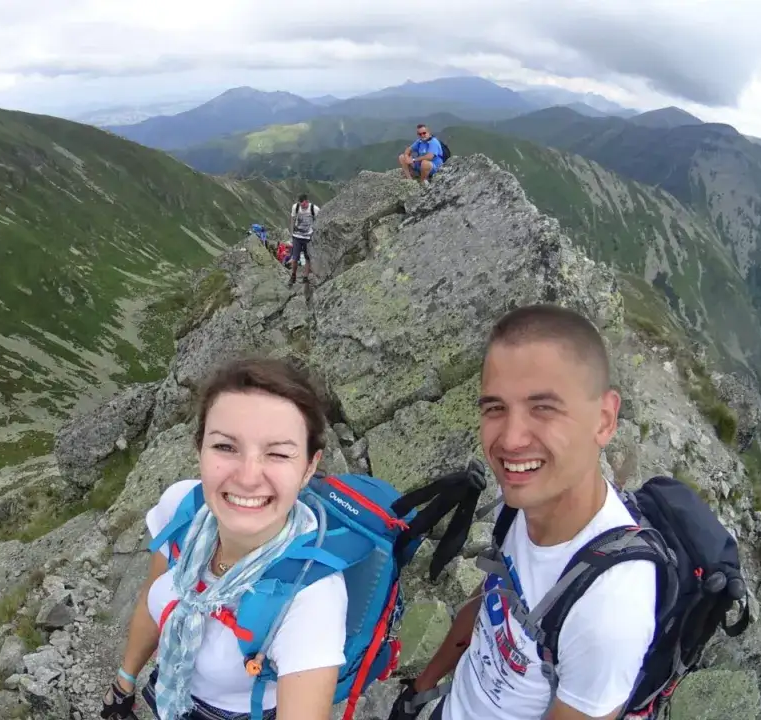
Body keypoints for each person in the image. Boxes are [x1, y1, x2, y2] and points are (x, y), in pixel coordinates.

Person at [403, 304, 657, 720]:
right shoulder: (527, 502)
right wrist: (420, 689)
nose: (511, 439)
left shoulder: (610, 610)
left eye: (543, 407)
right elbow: (490, 601)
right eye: (495, 408)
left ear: (604, 419)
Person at [101, 356, 348, 720]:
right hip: (170, 686)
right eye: (226, 447)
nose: (248, 477)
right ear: (200, 448)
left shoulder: (312, 595)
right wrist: (125, 681)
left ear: (309, 466)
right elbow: (153, 598)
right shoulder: (183, 507)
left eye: (278, 453)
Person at [287, 195, 316, 286]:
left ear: (307, 201)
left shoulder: (314, 208)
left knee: (308, 258)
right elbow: (292, 219)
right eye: (301, 205)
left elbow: (320, 219)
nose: (302, 207)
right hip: (297, 237)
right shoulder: (295, 207)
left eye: (304, 205)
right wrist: (291, 233)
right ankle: (293, 276)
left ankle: (305, 277)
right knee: (295, 258)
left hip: (308, 238)